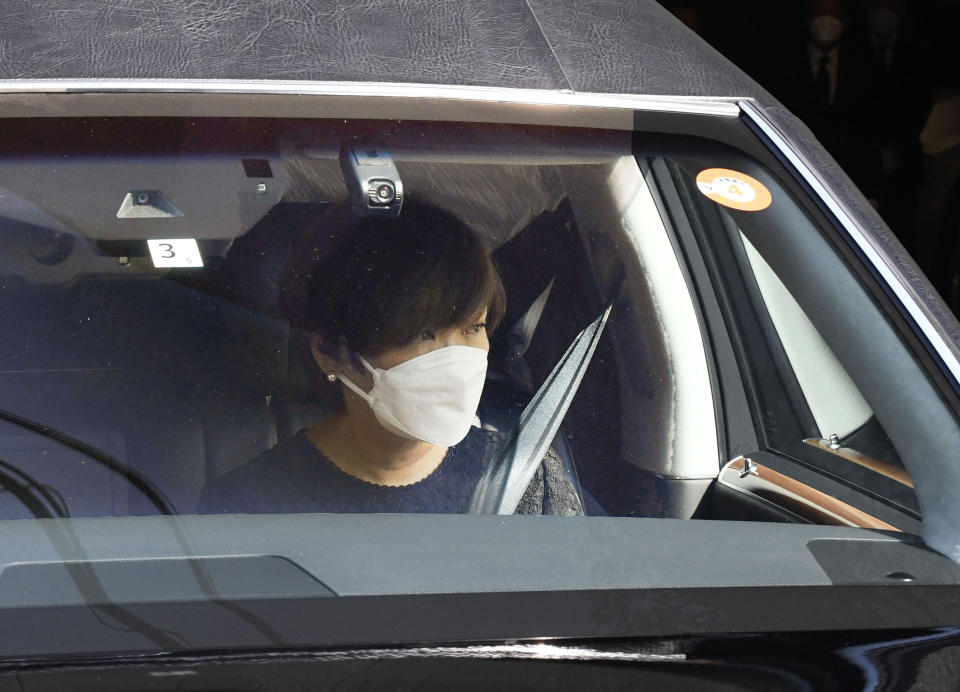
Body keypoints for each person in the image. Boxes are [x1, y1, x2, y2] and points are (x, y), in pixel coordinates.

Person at [198, 202, 584, 516]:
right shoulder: (248, 508)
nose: (458, 360)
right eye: (421, 334)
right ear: (331, 353)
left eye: (473, 328)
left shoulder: (526, 479)